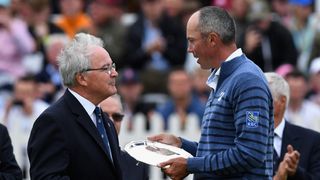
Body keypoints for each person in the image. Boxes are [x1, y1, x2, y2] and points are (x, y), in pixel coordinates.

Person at [148, 6, 274, 179]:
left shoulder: (247, 81)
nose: (189, 49)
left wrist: (191, 165)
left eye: (192, 41)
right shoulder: (227, 78)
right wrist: (181, 144)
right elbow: (217, 151)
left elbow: (250, 153)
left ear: (212, 40)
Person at [27, 33, 123, 179]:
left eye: (113, 66)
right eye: (106, 68)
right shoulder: (53, 121)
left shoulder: (105, 120)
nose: (114, 73)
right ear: (82, 78)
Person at [264, 72, 320, 180]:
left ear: (282, 101)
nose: (253, 102)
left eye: (262, 96)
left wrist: (295, 171)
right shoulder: (241, 137)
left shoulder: (312, 140)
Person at [100, 94, 149, 180]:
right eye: (105, 115)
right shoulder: (80, 159)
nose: (111, 120)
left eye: (117, 116)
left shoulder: (137, 165)